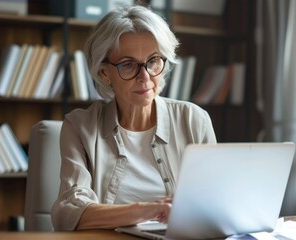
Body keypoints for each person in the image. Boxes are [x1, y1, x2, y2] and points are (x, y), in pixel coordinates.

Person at [51, 5, 217, 231]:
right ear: (104, 73)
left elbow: (215, 204)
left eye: (153, 61)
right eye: (128, 65)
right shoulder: (80, 127)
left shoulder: (193, 119)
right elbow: (68, 214)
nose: (145, 77)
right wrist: (149, 210)